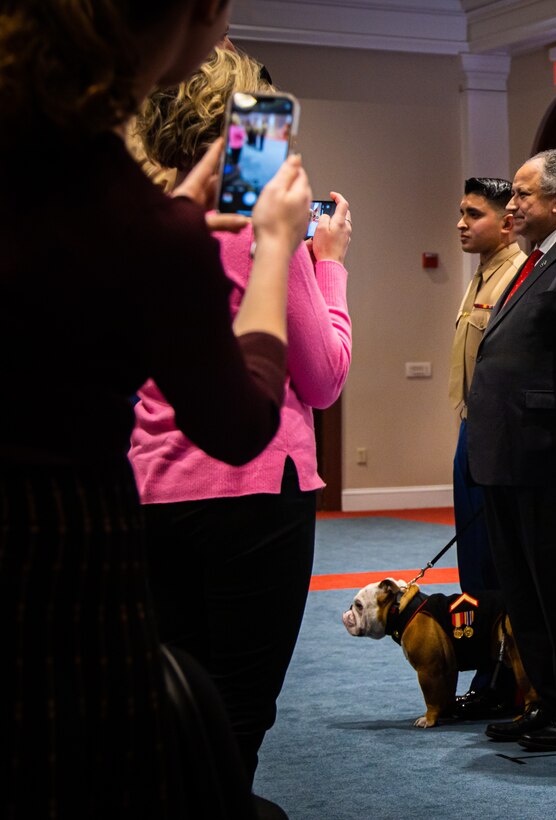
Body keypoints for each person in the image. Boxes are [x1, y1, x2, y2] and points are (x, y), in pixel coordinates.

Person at [0, 1, 312, 817]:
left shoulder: (61, 175)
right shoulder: (137, 222)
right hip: (66, 533)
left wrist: (173, 220)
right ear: (197, 14)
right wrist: (277, 244)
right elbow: (241, 424)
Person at [127, 44, 352, 807]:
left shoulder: (139, 216)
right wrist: (328, 265)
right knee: (238, 708)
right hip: (255, 485)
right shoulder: (264, 229)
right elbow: (321, 380)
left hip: (149, 484)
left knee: (168, 694)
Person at [464, 149, 556, 751]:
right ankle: (544, 700)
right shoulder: (534, 257)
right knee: (523, 588)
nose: (513, 204)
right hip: (510, 452)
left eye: (524, 195)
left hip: (550, 451)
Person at [446, 177, 524, 719]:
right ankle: (484, 671)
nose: (461, 223)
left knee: (500, 570)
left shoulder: (517, 275)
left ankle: (505, 679)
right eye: (461, 212)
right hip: (470, 432)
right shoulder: (481, 275)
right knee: (474, 570)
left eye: (474, 214)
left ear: (507, 221)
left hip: (497, 438)